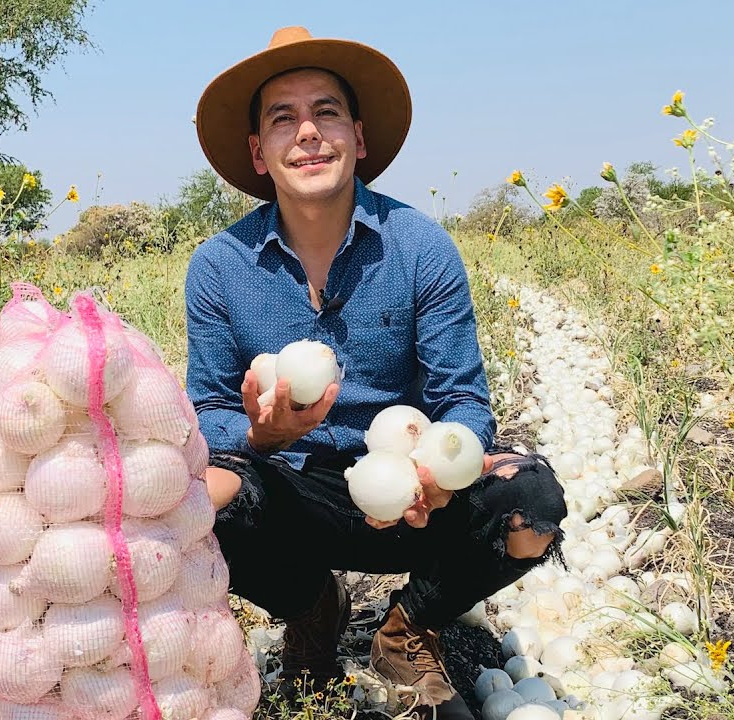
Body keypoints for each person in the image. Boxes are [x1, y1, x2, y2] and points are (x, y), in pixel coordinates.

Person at [185, 26, 568, 718]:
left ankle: (409, 627)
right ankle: (311, 607)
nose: (307, 132)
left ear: (358, 138)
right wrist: (261, 434)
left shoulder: (421, 247)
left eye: (326, 112)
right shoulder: (218, 267)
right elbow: (206, 412)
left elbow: (463, 400)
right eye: (283, 118)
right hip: (297, 491)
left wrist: (435, 473)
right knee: (195, 497)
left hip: (413, 492)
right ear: (258, 151)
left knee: (532, 503)